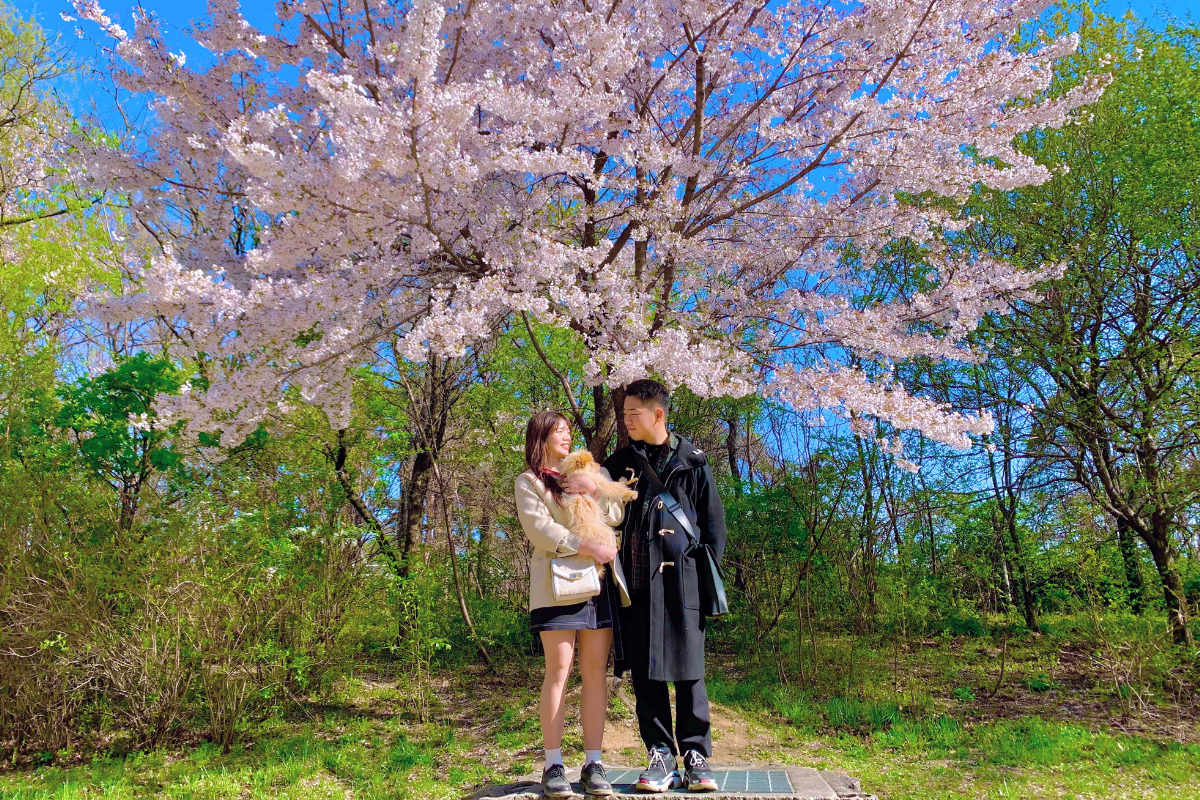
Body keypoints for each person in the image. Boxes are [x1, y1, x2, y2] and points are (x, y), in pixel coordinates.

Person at [602, 379, 726, 793]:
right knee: (646, 674)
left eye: (634, 414)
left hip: (682, 584)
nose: (627, 420)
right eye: (624, 414)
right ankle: (659, 755)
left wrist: (699, 580)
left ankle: (695, 756)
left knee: (690, 673)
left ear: (659, 414)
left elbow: (713, 529)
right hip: (634, 585)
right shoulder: (620, 462)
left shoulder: (693, 461)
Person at [515, 410, 629, 797]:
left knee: (596, 673)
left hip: (599, 586)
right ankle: (553, 764)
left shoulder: (586, 472)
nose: (566, 436)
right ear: (541, 438)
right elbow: (540, 530)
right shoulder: (530, 482)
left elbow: (615, 514)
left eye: (568, 430)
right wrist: (587, 546)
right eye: (557, 431)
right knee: (558, 671)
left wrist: (594, 489)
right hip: (557, 587)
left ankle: (594, 763)